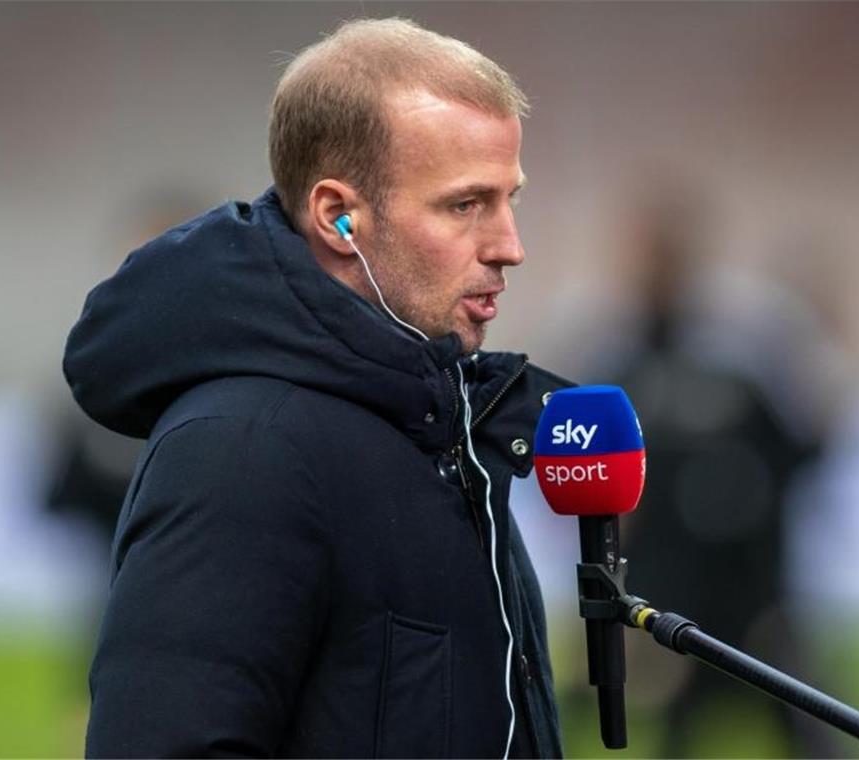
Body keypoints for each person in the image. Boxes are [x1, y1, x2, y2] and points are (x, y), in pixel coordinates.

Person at [64, 18, 569, 758]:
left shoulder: (439, 422)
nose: (509, 246)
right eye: (465, 205)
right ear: (340, 218)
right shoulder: (241, 450)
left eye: (509, 199)